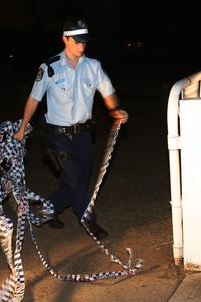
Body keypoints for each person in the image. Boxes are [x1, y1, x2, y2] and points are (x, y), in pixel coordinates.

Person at [13, 18, 128, 240]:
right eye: (76, 41)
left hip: (84, 135)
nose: (81, 46)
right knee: (75, 181)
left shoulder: (93, 66)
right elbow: (34, 99)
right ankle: (89, 221)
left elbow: (108, 92)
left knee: (78, 181)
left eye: (84, 41)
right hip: (58, 136)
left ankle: (48, 210)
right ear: (64, 39)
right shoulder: (49, 68)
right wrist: (22, 128)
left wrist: (115, 110)